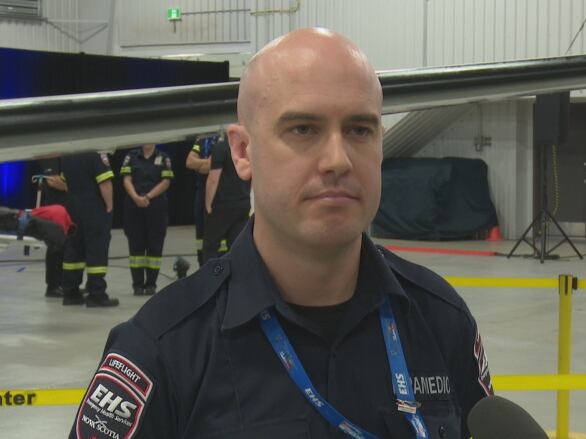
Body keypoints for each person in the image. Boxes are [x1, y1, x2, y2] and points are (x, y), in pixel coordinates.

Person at [69, 28, 492, 439]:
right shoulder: (162, 349)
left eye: (359, 130)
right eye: (303, 129)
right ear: (242, 151)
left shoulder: (441, 322)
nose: (337, 160)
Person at [60, 152, 119, 307]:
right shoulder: (96, 153)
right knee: (97, 249)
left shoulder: (66, 155)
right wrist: (110, 206)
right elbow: (104, 182)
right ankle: (96, 294)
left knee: (73, 249)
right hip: (94, 207)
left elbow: (64, 181)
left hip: (72, 207)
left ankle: (70, 292)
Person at [120, 143, 174, 296]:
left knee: (155, 245)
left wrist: (148, 196)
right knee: (135, 245)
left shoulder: (163, 158)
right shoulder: (131, 156)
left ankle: (151, 284)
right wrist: (136, 197)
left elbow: (166, 182)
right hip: (134, 205)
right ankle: (137, 285)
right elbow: (126, 179)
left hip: (156, 205)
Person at [201, 132, 250, 262]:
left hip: (221, 204)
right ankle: (237, 279)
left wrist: (207, 204)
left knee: (211, 246)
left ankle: (211, 280)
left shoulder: (220, 148)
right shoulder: (245, 148)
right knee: (237, 245)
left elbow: (213, 178)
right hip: (242, 202)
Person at [185, 134, 228, 266]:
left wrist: (203, 165)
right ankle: (202, 267)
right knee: (201, 233)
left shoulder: (225, 139)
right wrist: (206, 163)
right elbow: (189, 162)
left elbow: (209, 167)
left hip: (221, 193)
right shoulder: (202, 139)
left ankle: (220, 269)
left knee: (219, 237)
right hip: (201, 193)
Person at [38, 158, 69, 297]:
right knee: (56, 247)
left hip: (67, 207)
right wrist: (73, 188)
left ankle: (64, 283)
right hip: (55, 208)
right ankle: (53, 286)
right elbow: (52, 180)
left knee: (67, 247)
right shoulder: (51, 157)